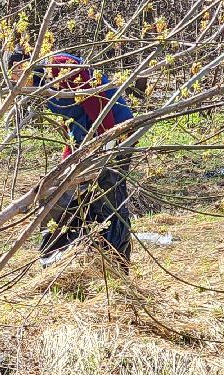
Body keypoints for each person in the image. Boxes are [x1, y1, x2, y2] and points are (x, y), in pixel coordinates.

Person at [9, 49, 140, 262]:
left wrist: (108, 143)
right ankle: (71, 255)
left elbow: (97, 103)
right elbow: (71, 121)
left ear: (27, 65)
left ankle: (113, 260)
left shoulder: (61, 67)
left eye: (18, 74)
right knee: (68, 195)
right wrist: (66, 161)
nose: (19, 82)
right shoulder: (44, 85)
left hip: (116, 132)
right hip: (87, 140)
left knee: (108, 198)